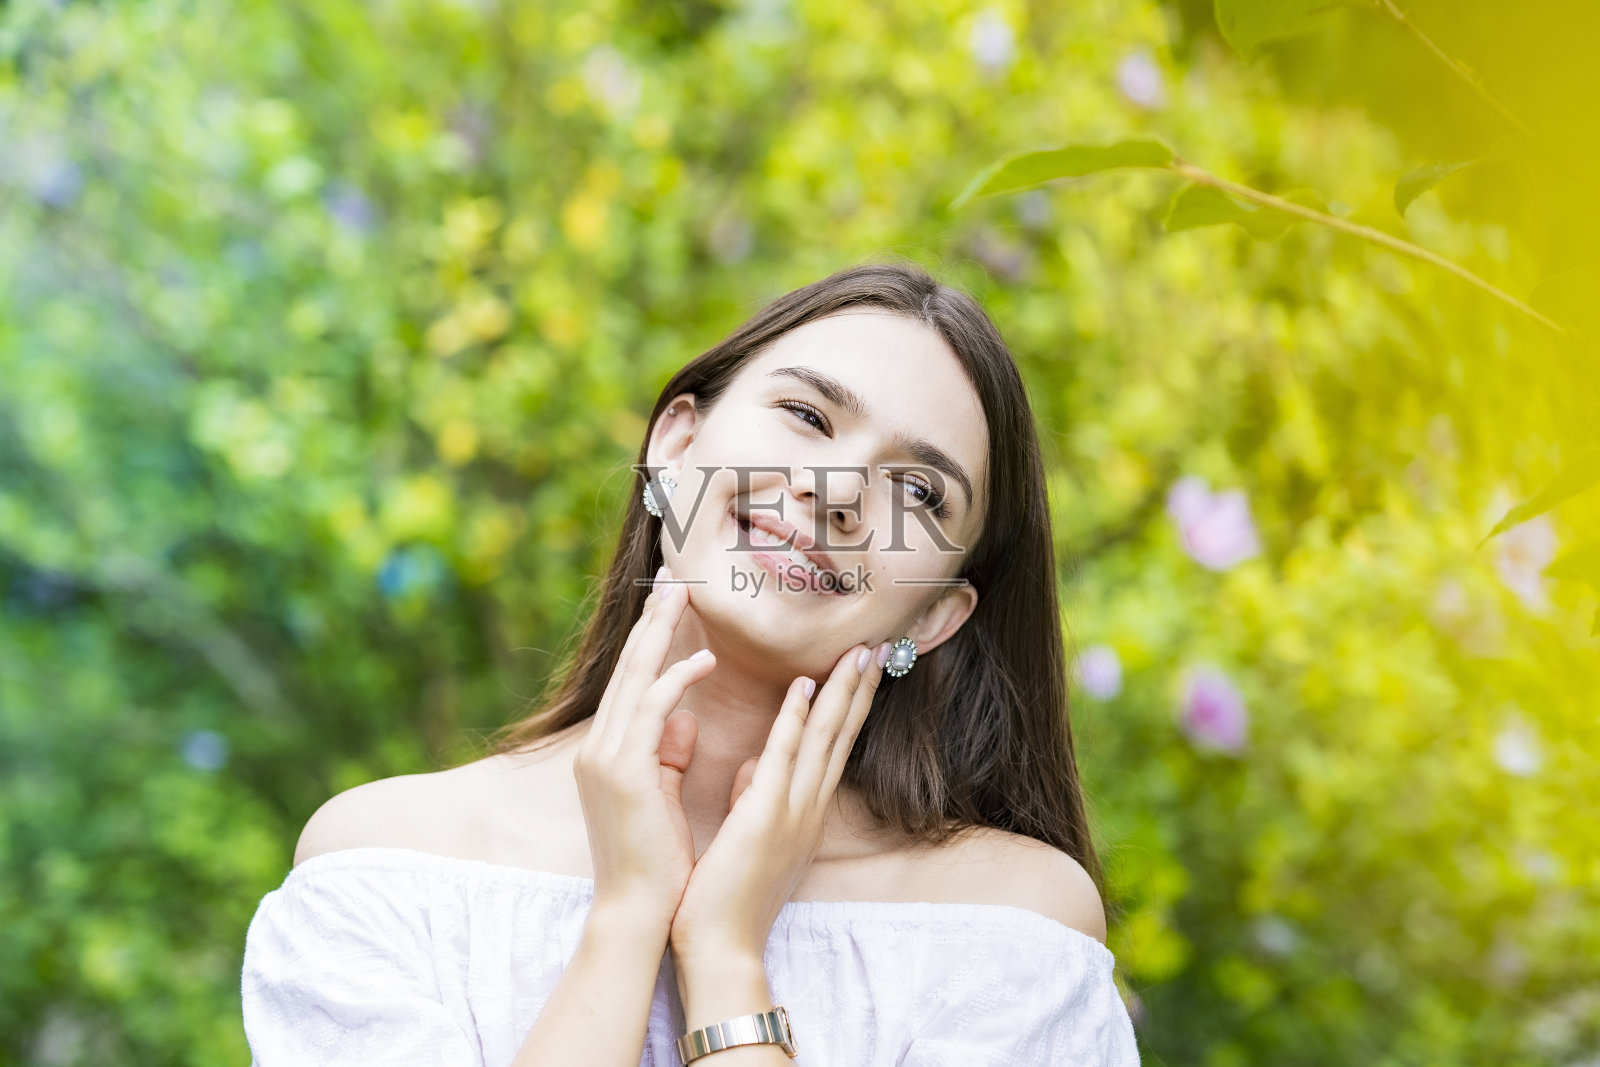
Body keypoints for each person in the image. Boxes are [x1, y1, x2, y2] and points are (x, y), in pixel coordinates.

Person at [241, 262, 1142, 1065]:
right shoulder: (384, 869)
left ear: (940, 611)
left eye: (917, 490)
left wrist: (726, 956)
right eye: (805, 415)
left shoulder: (1010, 933)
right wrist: (627, 917)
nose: (835, 495)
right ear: (675, 445)